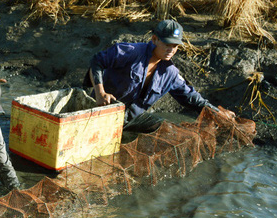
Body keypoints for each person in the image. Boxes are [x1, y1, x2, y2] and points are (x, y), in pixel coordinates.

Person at [86, 20, 235, 133]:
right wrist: (100, 93)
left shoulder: (170, 73)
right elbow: (96, 61)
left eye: (175, 46)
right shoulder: (131, 52)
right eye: (167, 44)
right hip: (99, 112)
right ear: (155, 39)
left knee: (165, 128)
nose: (171, 49)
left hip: (128, 122)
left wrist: (217, 113)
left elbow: (192, 99)